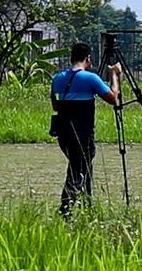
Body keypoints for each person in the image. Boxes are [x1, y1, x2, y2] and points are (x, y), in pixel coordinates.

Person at [48, 41, 121, 217]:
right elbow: (113, 99)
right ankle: (65, 209)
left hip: (63, 133)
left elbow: (55, 105)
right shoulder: (90, 78)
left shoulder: (57, 78)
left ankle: (87, 204)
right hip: (82, 133)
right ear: (88, 58)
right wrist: (114, 76)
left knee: (81, 167)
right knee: (78, 169)